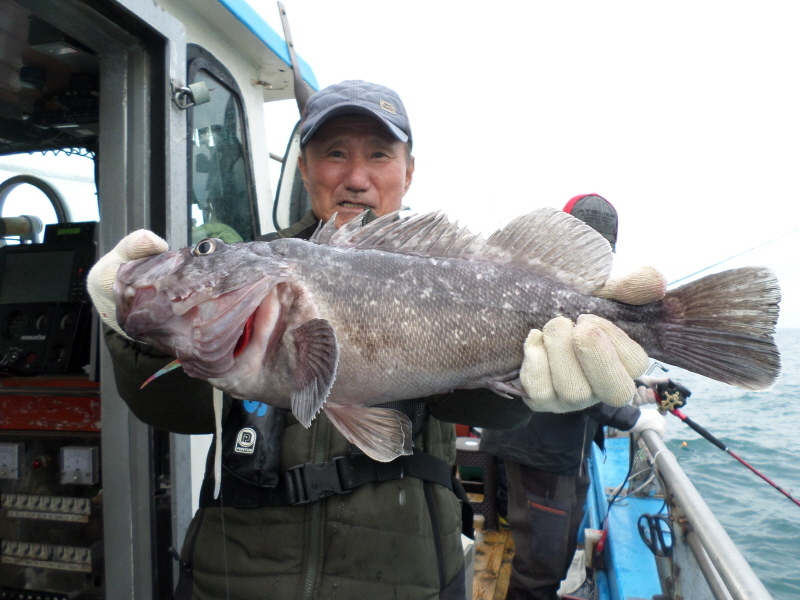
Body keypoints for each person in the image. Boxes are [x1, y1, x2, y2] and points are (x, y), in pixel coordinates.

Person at [87, 83, 667, 600]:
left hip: (407, 576)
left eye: (379, 155)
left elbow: (482, 405)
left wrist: (533, 392)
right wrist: (128, 319)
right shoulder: (260, 262)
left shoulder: (450, 267)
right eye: (334, 153)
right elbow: (165, 405)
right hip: (233, 575)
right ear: (306, 168)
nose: (356, 176)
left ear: (408, 172)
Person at [479, 194, 672, 600]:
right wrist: (633, 419)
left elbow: (592, 373)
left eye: (603, 248)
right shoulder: (548, 293)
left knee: (560, 548)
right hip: (540, 453)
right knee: (540, 566)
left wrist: (644, 391)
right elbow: (569, 376)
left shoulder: (587, 297)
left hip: (567, 453)